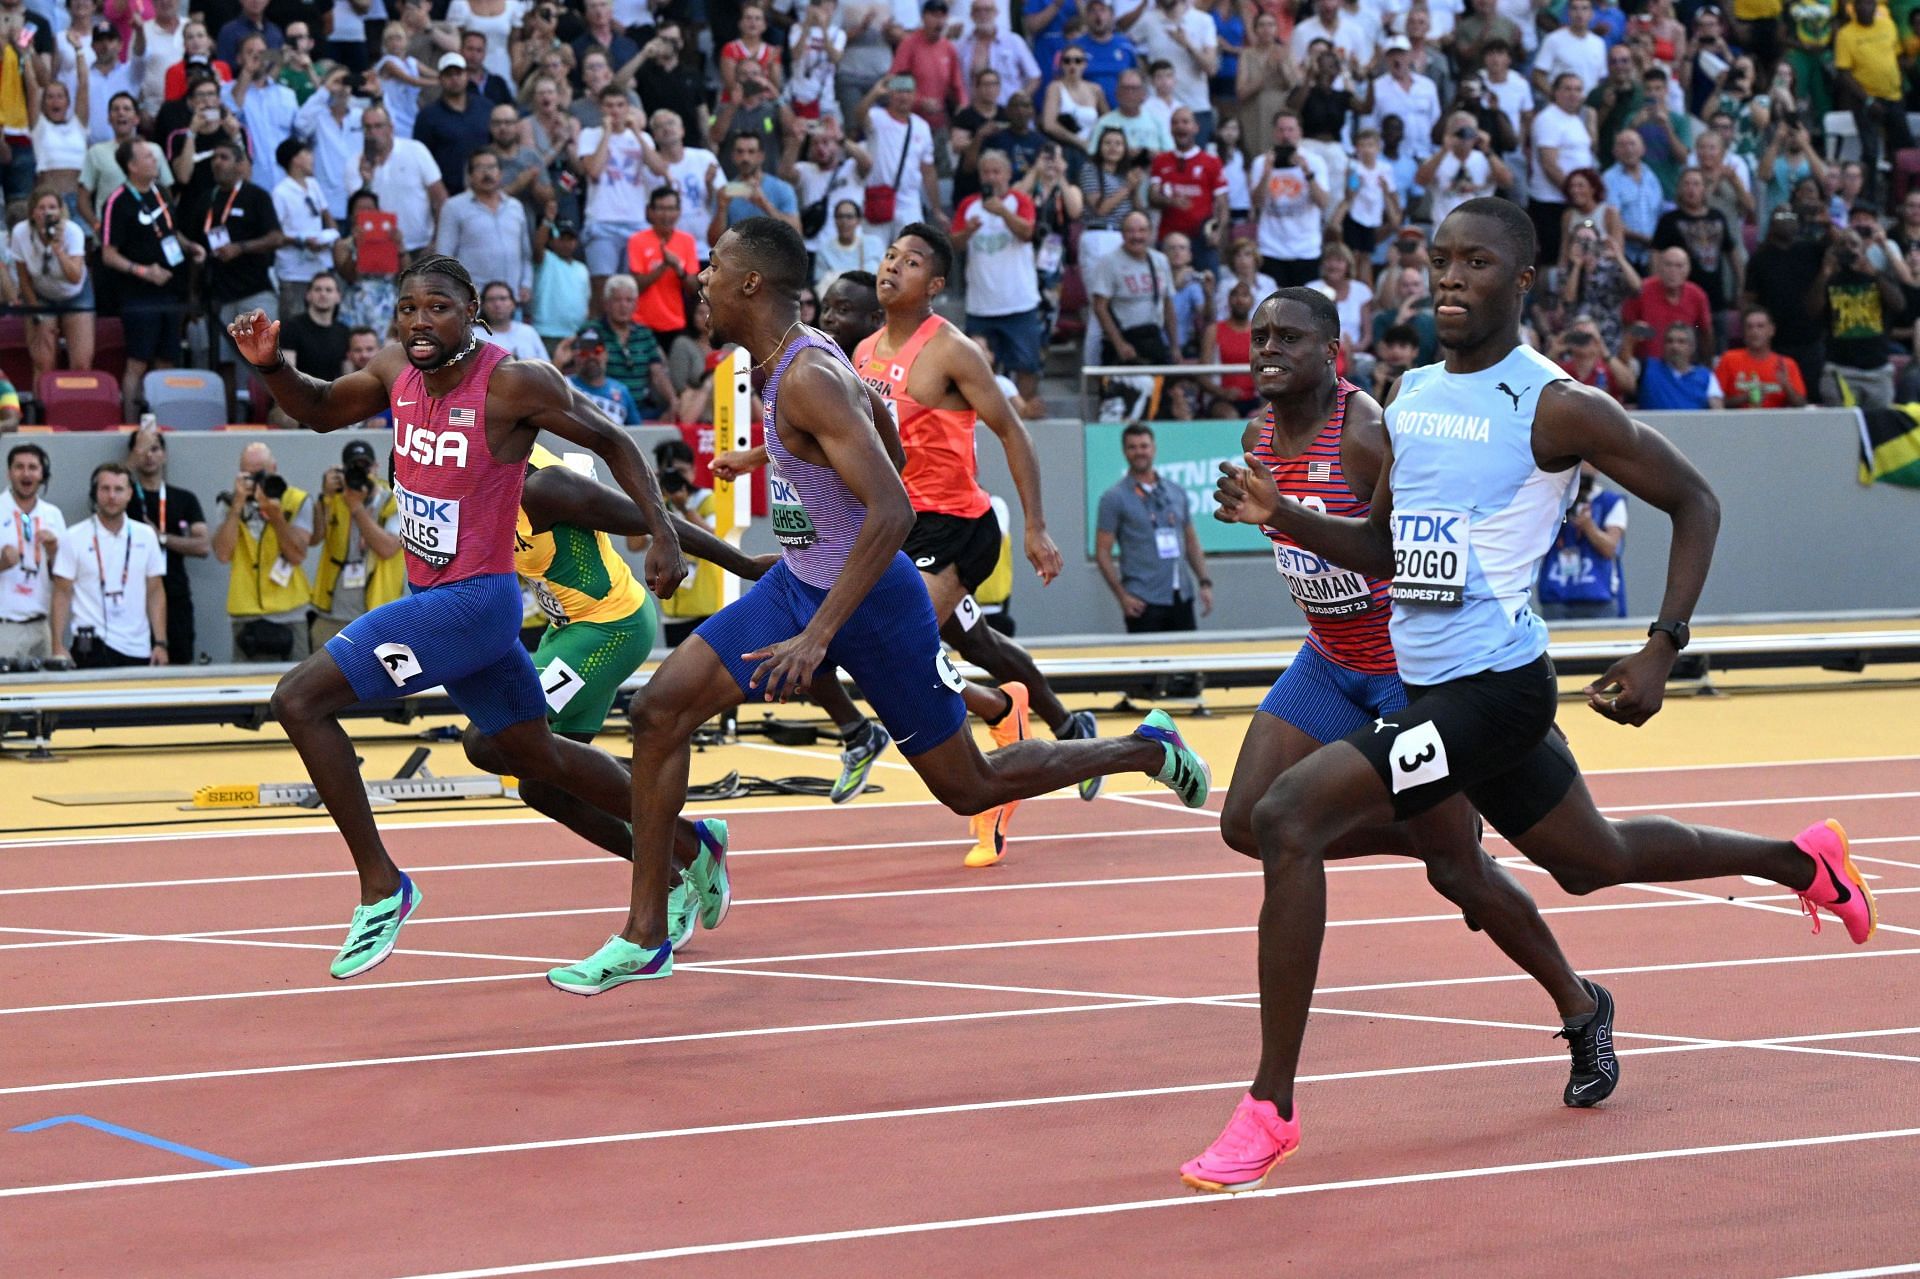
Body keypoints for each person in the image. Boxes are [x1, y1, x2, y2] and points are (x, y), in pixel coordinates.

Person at [1188, 198, 1870, 1195]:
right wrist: (1283, 512)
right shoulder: (1413, 392)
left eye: (1476, 262)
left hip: (1495, 692)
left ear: (1525, 281)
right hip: (1431, 685)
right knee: (1592, 860)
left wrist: (1661, 648)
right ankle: (1797, 858)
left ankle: (1270, 1109)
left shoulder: (1555, 404)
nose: (1451, 277)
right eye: (1439, 260)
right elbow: (1384, 549)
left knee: (1288, 817)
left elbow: (1696, 500)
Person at [542, 218, 1211, 993]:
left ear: (752, 283)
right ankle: (656, 917)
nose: (703, 278)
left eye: (715, 266)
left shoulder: (806, 374)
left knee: (971, 786)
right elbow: (881, 439)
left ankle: (1146, 747)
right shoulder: (790, 361)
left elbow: (892, 507)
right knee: (660, 712)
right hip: (803, 584)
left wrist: (818, 637)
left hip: (871, 603)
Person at [224, 253, 690, 980]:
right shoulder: (391, 371)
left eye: (437, 307)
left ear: (473, 308)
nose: (418, 321)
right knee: (539, 762)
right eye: (408, 308)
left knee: (298, 699)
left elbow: (611, 440)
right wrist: (270, 366)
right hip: (438, 602)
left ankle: (383, 886)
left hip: (472, 602)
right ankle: (695, 845)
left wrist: (662, 531)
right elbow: (316, 410)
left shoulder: (512, 383)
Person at [100, 138, 205, 418]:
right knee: (137, 362)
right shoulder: (117, 202)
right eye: (147, 157)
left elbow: (170, 232)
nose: (154, 160)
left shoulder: (161, 193)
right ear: (132, 166)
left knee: (166, 360)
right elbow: (108, 255)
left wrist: (189, 245)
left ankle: (164, 422)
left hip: (170, 291)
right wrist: (144, 271)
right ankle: (131, 423)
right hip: (138, 296)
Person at [184, 138, 284, 415]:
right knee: (222, 362)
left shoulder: (256, 196)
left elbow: (277, 237)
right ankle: (228, 418)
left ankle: (282, 414)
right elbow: (194, 248)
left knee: (264, 359)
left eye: (224, 157)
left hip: (253, 292)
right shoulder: (205, 200)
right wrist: (193, 296)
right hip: (216, 296)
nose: (217, 162)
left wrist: (241, 248)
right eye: (214, 157)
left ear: (241, 165)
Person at [952, 149, 1046, 417]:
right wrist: (967, 231)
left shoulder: (1020, 201)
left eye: (996, 172)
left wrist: (1002, 211)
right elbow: (953, 244)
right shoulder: (969, 205)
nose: (991, 177)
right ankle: (983, 417)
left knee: (1028, 365)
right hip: (981, 305)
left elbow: (1027, 232)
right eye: (986, 172)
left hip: (1019, 302)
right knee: (973, 367)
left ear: (1007, 174)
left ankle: (1022, 416)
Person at [1094, 422, 1212, 632]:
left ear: (1153, 448)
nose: (1139, 452)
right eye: (1133, 447)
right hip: (1143, 599)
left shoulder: (1176, 491)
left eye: (1144, 446)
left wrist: (1204, 582)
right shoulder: (1113, 498)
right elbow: (1102, 552)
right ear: (1124, 451)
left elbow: (1191, 540)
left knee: (1188, 663)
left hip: (1181, 595)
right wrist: (1122, 597)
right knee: (1148, 663)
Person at [49, 462, 167, 670]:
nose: (112, 496)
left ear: (130, 493)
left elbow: (155, 591)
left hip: (137, 647)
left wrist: (160, 643)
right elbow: (61, 593)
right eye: (105, 489)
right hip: (91, 645)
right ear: (95, 493)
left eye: (119, 489)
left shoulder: (145, 535)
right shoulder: (74, 536)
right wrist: (57, 644)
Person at [213, 440, 313, 663]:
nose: (256, 481)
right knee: (245, 689)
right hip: (245, 611)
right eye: (249, 475)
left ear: (274, 468)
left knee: (297, 685)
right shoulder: (229, 502)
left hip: (290, 611)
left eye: (261, 474)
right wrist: (237, 506)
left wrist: (276, 516)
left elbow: (297, 555)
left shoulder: (296, 500)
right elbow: (222, 553)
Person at [308, 439, 404, 647]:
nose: (360, 473)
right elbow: (314, 538)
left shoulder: (394, 500)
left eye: (365, 466)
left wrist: (356, 508)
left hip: (377, 616)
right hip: (332, 614)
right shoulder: (334, 498)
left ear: (376, 467)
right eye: (353, 467)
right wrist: (324, 498)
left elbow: (388, 548)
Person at [124, 424, 207, 664]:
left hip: (176, 596)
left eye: (155, 449)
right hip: (134, 598)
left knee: (180, 664)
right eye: (142, 450)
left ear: (165, 454)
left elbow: (202, 546)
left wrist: (160, 537)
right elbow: (103, 487)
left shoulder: (184, 498)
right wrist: (131, 460)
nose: (149, 456)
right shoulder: (122, 498)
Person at [1810, 224, 1902, 408]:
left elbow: (1899, 305)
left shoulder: (1877, 277)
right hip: (1840, 369)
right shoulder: (1828, 281)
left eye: (1853, 244)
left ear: (1863, 249)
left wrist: (1874, 274)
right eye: (1842, 245)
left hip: (1877, 369)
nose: (1848, 249)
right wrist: (1825, 272)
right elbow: (1812, 310)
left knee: (1880, 431)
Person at [11, 186, 94, 383]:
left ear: (60, 211)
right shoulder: (20, 233)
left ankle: (77, 409)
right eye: (41, 207)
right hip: (40, 295)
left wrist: (58, 249)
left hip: (75, 294)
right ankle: (42, 411)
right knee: (43, 362)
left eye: (52, 207)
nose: (47, 212)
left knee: (81, 363)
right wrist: (36, 315)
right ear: (32, 213)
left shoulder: (73, 232)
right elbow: (24, 279)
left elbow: (74, 276)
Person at [1536, 463, 1627, 619]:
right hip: (1556, 595)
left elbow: (1610, 548)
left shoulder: (1610, 502)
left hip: (1597, 597)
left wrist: (1588, 526)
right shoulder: (1552, 501)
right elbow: (1535, 545)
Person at [1250, 110, 1330, 286]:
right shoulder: (1260, 163)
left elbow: (1323, 202)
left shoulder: (1315, 161)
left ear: (1300, 132)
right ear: (1274, 133)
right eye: (1281, 130)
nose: (1286, 135)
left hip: (1305, 248)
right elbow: (1256, 203)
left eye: (1290, 130)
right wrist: (1266, 174)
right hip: (1271, 248)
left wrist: (1307, 173)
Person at [1089, 209, 1177, 366]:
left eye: (1142, 230)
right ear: (1122, 234)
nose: (1137, 236)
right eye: (1130, 231)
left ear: (1150, 233)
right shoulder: (1109, 262)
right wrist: (1119, 344)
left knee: (1160, 389)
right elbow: (1100, 307)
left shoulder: (1160, 260)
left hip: (1153, 337)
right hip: (1122, 339)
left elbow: (1168, 305)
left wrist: (1174, 346)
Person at [0, 443, 63, 663]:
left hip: (41, 626)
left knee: (44, 695)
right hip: (5, 627)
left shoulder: (52, 515)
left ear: (42, 474)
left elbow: (63, 579)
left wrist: (54, 551)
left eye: (33, 467)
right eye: (19, 467)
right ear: (9, 473)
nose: (26, 474)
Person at [271, 137, 339, 319]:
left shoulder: (314, 185)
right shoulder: (281, 193)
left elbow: (326, 214)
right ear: (295, 159)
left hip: (318, 267)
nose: (311, 158)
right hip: (294, 272)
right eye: (306, 154)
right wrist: (302, 240)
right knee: (294, 319)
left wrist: (333, 236)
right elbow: (275, 235)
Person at [413, 51, 493, 198]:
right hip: (447, 193)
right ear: (440, 79)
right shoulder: (427, 116)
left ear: (467, 76)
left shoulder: (486, 107)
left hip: (486, 188)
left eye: (458, 73)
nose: (454, 79)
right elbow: (421, 158)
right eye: (448, 75)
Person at [597, 274, 676, 418]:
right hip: (603, 407)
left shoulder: (644, 333)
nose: (623, 306)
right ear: (606, 304)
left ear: (635, 304)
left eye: (629, 300)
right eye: (617, 300)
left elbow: (658, 374)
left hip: (640, 408)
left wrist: (673, 401)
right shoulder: (593, 331)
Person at [625, 185, 698, 338]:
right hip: (642, 324)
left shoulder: (687, 241)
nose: (666, 214)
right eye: (661, 209)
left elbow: (694, 289)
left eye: (671, 209)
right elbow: (637, 286)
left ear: (679, 212)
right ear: (650, 212)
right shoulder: (637, 240)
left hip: (676, 324)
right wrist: (664, 266)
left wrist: (677, 268)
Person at [1714, 307, 1808, 408]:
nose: (1754, 331)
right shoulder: (1729, 359)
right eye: (1749, 327)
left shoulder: (1787, 364)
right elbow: (1715, 402)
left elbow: (1801, 404)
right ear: (1743, 332)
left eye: (1760, 326)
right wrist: (1745, 398)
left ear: (1771, 330)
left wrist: (1786, 386)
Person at [567, 324, 644, 425]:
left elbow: (638, 431)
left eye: (597, 351)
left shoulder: (622, 391)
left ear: (606, 355)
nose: (591, 356)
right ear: (575, 357)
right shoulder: (565, 385)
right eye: (584, 353)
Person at [1637, 322, 1724, 409]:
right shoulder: (1647, 368)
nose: (1674, 346)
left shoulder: (1706, 375)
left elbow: (1717, 412)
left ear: (1692, 347)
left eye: (1681, 342)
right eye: (1669, 341)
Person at [476, 278, 548, 362]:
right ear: (483, 306)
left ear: (513, 304)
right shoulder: (475, 336)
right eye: (491, 299)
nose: (497, 304)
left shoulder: (528, 332)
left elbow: (546, 366)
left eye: (503, 298)